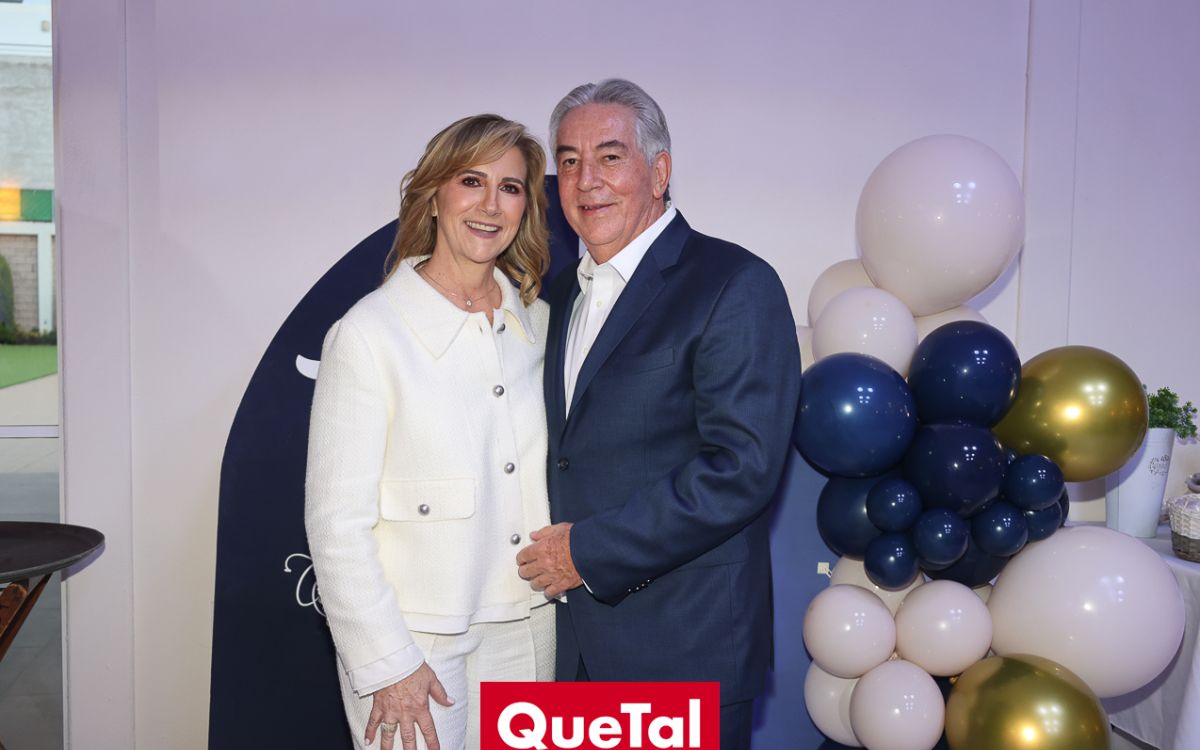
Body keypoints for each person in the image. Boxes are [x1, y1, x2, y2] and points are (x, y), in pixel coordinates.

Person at [516, 79, 801, 750]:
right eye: (570, 161)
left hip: (682, 648)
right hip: (568, 654)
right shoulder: (559, 294)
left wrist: (587, 551)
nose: (587, 180)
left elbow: (742, 469)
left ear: (660, 171)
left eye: (610, 157)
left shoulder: (733, 283)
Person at [306, 114, 555, 750]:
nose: (490, 204)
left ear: (525, 208)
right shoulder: (368, 335)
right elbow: (336, 523)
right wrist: (387, 663)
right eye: (471, 180)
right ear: (434, 194)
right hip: (413, 642)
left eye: (510, 187)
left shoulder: (540, 327)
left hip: (528, 627)